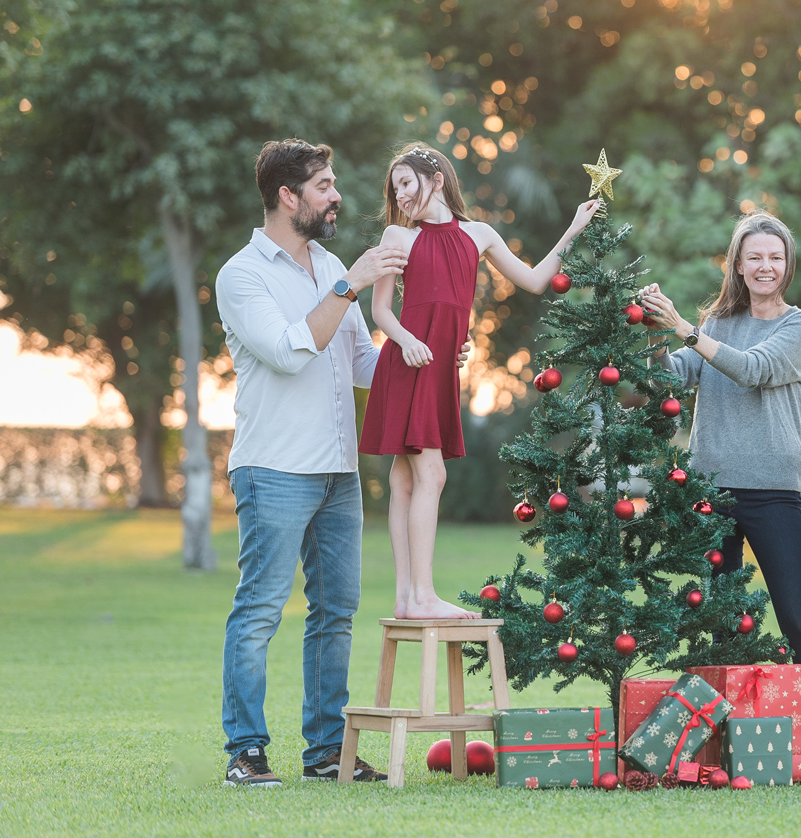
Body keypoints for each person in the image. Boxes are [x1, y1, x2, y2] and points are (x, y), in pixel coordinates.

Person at [216, 138, 469, 787]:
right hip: (272, 468)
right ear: (288, 196)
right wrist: (351, 282)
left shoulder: (327, 261)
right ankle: (245, 752)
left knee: (336, 612)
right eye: (325, 185)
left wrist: (425, 352)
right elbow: (291, 349)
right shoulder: (242, 274)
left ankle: (327, 751)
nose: (337, 196)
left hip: (338, 471)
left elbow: (360, 361)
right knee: (260, 611)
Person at [359, 143, 600, 619]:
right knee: (429, 474)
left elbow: (533, 281)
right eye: (395, 188)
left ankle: (409, 600)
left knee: (409, 476)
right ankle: (418, 595)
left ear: (436, 178)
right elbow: (381, 309)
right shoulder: (397, 236)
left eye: (406, 183)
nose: (401, 195)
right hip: (408, 363)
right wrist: (406, 340)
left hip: (440, 370)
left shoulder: (479, 234)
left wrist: (573, 229)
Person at [638, 210, 801, 665]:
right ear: (738, 266)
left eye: (776, 257)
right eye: (755, 257)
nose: (766, 266)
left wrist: (684, 329)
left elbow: (752, 370)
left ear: (788, 265)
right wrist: (656, 337)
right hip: (710, 491)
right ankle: (730, 735)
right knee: (721, 628)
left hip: (772, 491)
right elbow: (671, 382)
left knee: (798, 620)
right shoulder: (717, 324)